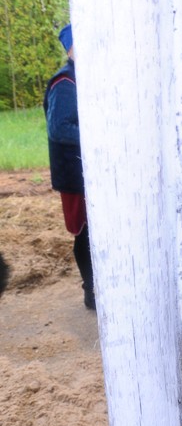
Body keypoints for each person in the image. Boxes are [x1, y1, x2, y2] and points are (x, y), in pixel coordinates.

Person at [43, 24, 95, 310]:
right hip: (74, 174)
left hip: (87, 172)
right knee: (85, 232)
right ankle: (91, 292)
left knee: (94, 232)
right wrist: (96, 136)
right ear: (72, 49)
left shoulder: (82, 80)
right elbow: (59, 129)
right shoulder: (64, 83)